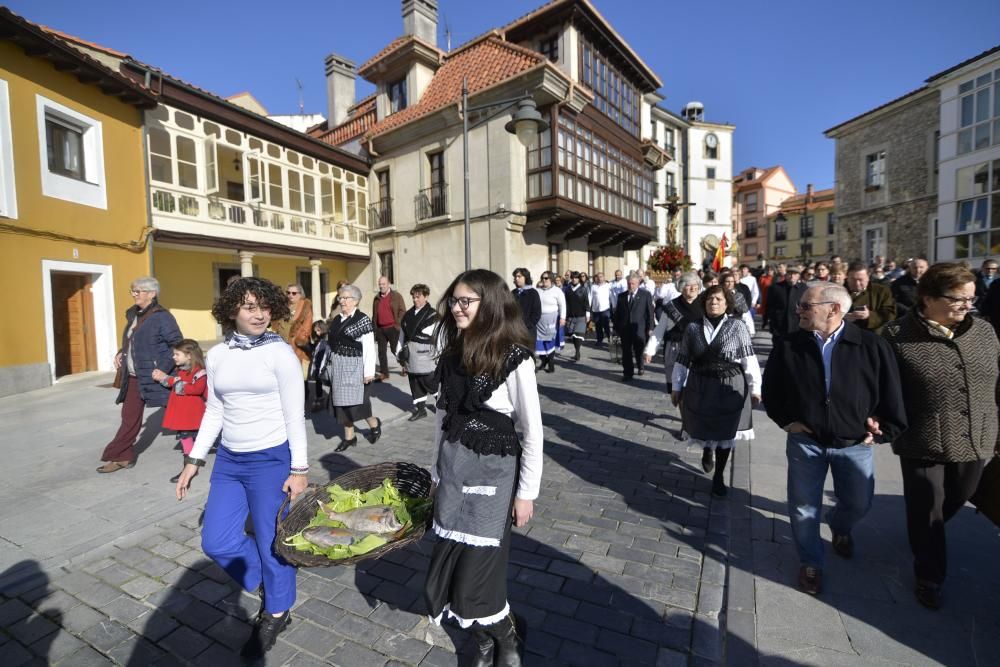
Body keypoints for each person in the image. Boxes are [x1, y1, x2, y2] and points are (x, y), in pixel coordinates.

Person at [174, 277, 306, 659]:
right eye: (249, 306)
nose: (259, 314)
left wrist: (299, 469)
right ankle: (272, 584)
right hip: (230, 460)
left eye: (265, 306)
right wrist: (194, 460)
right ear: (231, 310)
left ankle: (278, 611)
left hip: (271, 460)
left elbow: (294, 415)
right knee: (216, 539)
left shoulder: (280, 353)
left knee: (271, 541)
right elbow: (214, 410)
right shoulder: (218, 355)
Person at [425, 269, 542, 666]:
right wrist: (435, 474)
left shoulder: (514, 359)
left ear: (489, 304)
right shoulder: (454, 353)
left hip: (494, 475)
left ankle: (506, 632)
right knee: (457, 568)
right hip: (454, 471)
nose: (457, 308)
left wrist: (527, 493)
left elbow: (532, 431)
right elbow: (444, 419)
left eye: (466, 301)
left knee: (477, 576)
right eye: (454, 301)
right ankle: (484, 639)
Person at [762, 282, 907, 596]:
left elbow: (891, 391)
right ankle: (811, 561)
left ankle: (840, 526)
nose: (797, 310)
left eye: (805, 306)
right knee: (803, 507)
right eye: (799, 305)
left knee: (858, 502)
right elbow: (771, 389)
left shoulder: (871, 345)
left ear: (834, 309)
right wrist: (787, 422)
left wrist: (883, 426)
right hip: (806, 442)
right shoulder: (789, 344)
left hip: (854, 444)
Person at [882, 263, 1000, 609]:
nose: (968, 306)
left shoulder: (985, 332)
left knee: (958, 497)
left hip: (977, 435)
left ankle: (924, 536)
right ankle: (929, 576)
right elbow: (881, 387)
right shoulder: (895, 336)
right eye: (959, 299)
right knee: (927, 508)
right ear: (928, 298)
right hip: (921, 438)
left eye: (971, 299)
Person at [671, 285, 761, 496]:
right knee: (703, 425)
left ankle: (719, 476)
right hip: (700, 384)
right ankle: (707, 450)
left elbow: (749, 358)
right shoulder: (693, 327)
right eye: (710, 299)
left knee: (726, 431)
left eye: (719, 299)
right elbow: (683, 358)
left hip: (729, 386)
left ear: (727, 304)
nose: (714, 302)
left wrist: (755, 388)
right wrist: (677, 386)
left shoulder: (737, 327)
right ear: (704, 303)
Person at [100, 277, 182, 473]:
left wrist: (163, 368)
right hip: (134, 378)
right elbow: (134, 341)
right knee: (129, 417)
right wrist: (122, 352)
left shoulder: (163, 317)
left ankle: (208, 440)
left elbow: (177, 344)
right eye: (133, 291)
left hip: (156, 377)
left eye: (139, 291)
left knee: (183, 411)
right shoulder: (134, 315)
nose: (135, 294)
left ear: (152, 294)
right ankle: (121, 457)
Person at [328, 284, 380, 450]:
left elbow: (369, 349)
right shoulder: (337, 319)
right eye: (340, 297)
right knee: (341, 404)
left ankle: (374, 423)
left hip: (355, 367)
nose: (342, 301)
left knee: (358, 404)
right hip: (338, 367)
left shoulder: (362, 320)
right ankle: (349, 437)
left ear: (355, 301)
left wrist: (369, 372)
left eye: (345, 298)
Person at [152, 339, 207, 483]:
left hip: (191, 415)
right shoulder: (182, 370)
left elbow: (197, 389)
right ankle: (189, 467)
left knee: (191, 440)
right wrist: (163, 378)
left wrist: (175, 382)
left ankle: (188, 469)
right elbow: (174, 381)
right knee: (187, 439)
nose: (173, 357)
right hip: (184, 415)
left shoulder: (199, 371)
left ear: (189, 355)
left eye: (177, 354)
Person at [643, 271, 703, 394]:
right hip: (675, 349)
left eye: (695, 285)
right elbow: (660, 329)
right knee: (677, 387)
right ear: (681, 287)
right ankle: (682, 409)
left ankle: (691, 411)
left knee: (696, 387)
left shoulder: (704, 304)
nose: (692, 288)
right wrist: (650, 351)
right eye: (688, 285)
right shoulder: (672, 306)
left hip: (698, 350)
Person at [398, 284, 440, 422]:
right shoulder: (408, 315)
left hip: (425, 354)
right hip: (410, 354)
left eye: (418, 296)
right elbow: (402, 335)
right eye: (413, 297)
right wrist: (399, 353)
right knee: (415, 382)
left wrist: (440, 355)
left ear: (426, 297)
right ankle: (421, 410)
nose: (415, 300)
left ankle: (444, 408)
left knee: (430, 381)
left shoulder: (433, 315)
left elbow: (436, 336)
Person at [613, 273, 655, 381]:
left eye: (633, 284)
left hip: (639, 328)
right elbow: (617, 313)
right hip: (625, 328)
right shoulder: (621, 296)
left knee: (639, 350)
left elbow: (650, 312)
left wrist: (650, 328)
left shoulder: (645, 295)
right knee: (626, 351)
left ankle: (640, 366)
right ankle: (627, 372)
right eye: (629, 283)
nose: (630, 286)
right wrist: (615, 328)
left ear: (638, 284)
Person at [845, 261, 897, 334]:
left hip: (873, 336)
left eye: (860, 280)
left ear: (868, 277)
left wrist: (869, 315)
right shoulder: (839, 291)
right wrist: (842, 317)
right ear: (847, 278)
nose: (857, 283)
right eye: (853, 279)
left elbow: (890, 314)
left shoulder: (881, 291)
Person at [373, 276, 407, 381]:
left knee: (395, 350)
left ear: (388, 284)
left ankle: (405, 366)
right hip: (380, 329)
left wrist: (398, 324)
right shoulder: (377, 298)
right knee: (381, 352)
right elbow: (374, 314)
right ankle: (384, 373)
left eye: (383, 284)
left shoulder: (396, 296)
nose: (381, 286)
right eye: (380, 284)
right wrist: (374, 327)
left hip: (393, 328)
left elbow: (402, 311)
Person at [535, 271, 566, 373]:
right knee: (539, 342)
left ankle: (551, 363)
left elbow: (562, 305)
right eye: (542, 278)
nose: (544, 280)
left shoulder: (557, 291)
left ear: (551, 280)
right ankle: (544, 361)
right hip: (539, 320)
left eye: (546, 278)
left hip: (551, 319)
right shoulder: (538, 291)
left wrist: (562, 317)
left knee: (549, 341)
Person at [764, 268, 808, 340]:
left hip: (797, 325)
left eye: (795, 274)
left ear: (798, 276)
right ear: (786, 275)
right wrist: (767, 320)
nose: (792, 276)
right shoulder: (775, 288)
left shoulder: (804, 288)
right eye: (790, 274)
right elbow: (769, 306)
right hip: (779, 324)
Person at [280, 284, 312, 380]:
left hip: (297, 347)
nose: (290, 295)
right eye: (288, 292)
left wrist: (297, 340)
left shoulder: (305, 307)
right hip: (282, 346)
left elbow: (306, 327)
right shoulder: (284, 306)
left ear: (300, 294)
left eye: (294, 293)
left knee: (298, 376)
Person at [511, 268, 541, 350]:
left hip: (528, 331)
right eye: (515, 277)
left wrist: (526, 325)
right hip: (514, 331)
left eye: (519, 276)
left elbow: (536, 314)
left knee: (528, 357)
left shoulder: (533, 293)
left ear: (526, 278)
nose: (516, 279)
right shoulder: (513, 293)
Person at [563, 271, 590, 362]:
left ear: (579, 279)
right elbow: (565, 303)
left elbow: (587, 302)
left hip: (581, 315)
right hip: (571, 315)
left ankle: (577, 352)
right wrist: (565, 315)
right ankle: (576, 350)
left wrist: (588, 314)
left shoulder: (583, 289)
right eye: (573, 278)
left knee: (578, 334)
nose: (574, 279)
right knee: (573, 335)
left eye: (576, 278)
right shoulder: (567, 289)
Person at [307, 321, 331, 413]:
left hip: (324, 366)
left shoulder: (326, 340)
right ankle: (319, 398)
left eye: (318, 330)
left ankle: (329, 401)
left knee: (328, 383)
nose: (317, 332)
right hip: (318, 366)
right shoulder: (318, 340)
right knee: (318, 382)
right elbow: (314, 350)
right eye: (315, 330)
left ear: (323, 329)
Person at [721, 271, 756, 335]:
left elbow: (744, 309)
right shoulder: (719, 294)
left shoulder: (738, 294)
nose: (730, 284)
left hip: (736, 322)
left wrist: (735, 299)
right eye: (727, 281)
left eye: (732, 282)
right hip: (722, 323)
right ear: (723, 282)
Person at [589, 272, 613, 347]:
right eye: (598, 277)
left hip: (605, 308)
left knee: (606, 325)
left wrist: (614, 306)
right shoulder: (593, 287)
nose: (600, 278)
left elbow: (612, 297)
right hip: (596, 309)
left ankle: (609, 338)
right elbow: (590, 297)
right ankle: (599, 340)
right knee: (598, 326)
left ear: (604, 277)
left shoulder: (608, 286)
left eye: (601, 276)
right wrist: (589, 308)